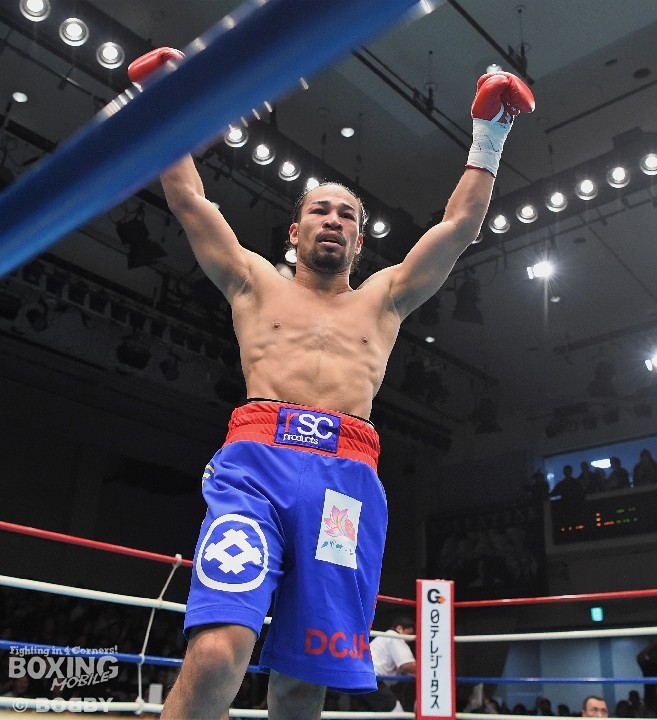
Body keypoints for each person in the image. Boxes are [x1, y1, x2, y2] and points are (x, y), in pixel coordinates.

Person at [129, 47, 534, 719]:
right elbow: (188, 198)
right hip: (256, 468)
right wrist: (165, 102)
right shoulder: (253, 282)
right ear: (295, 231)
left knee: (302, 681)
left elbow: (460, 227)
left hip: (344, 485)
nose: (334, 221)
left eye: (347, 215)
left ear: (360, 240)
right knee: (218, 653)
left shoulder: (385, 298)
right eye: (321, 211)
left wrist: (489, 133)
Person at [357, 616, 416, 712]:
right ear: (399, 629)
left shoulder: (384, 640)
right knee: (397, 713)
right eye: (408, 635)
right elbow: (406, 666)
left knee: (374, 714)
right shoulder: (394, 637)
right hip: (371, 679)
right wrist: (428, 669)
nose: (408, 640)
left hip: (362, 678)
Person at [636, 639, 657, 704]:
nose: (654, 654)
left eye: (656, 652)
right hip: (650, 695)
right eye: (652, 653)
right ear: (648, 655)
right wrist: (650, 646)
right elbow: (639, 657)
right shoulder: (646, 665)